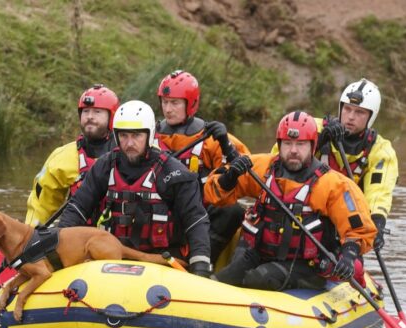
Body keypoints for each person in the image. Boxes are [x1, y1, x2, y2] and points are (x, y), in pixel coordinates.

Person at [205, 111, 376, 290]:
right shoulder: (262, 167)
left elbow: (359, 229)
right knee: (220, 282)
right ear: (279, 144)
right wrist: (229, 178)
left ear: (312, 146)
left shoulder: (333, 184)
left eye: (300, 144)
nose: (293, 150)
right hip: (258, 253)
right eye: (288, 143)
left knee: (258, 279)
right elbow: (212, 194)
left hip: (305, 265)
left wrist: (349, 256)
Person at [58, 100, 213, 277]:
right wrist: (59, 244)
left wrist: (200, 266)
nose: (129, 143)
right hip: (112, 258)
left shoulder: (174, 172)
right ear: (116, 136)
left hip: (163, 260)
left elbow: (196, 221)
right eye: (124, 136)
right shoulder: (104, 166)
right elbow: (77, 208)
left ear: (149, 135)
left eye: (137, 136)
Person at [154, 70, 251, 262]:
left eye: (175, 103)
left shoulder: (210, 138)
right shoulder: (151, 135)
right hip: (161, 206)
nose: (168, 109)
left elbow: (245, 168)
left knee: (232, 211)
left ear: (191, 104)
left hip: (199, 207)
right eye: (165, 102)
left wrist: (225, 143)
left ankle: (202, 262)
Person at [312, 78, 398, 251]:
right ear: (340, 108)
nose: (351, 117)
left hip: (343, 221)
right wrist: (319, 141)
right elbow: (278, 161)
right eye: (348, 109)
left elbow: (379, 192)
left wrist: (377, 223)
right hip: (305, 211)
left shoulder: (381, 151)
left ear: (370, 117)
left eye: (360, 112)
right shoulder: (313, 128)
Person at [24, 84, 120, 226]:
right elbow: (41, 203)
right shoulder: (63, 156)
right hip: (78, 238)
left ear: (112, 117)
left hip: (118, 239)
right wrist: (30, 237)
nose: (90, 117)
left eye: (97, 112)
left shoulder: (128, 152)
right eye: (86, 111)